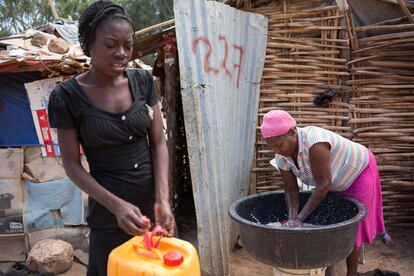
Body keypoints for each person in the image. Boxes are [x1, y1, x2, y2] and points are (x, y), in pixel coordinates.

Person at [47, 1, 174, 275]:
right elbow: (71, 164)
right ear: (89, 44)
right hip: (108, 217)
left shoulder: (143, 82)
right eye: (111, 45)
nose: (121, 53)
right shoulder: (67, 97)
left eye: (127, 45)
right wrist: (116, 206)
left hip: (153, 211)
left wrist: (163, 199)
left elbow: (159, 144)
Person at [260, 109, 387, 276]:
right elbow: (291, 189)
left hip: (358, 172)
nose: (277, 150)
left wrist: (300, 219)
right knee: (329, 226)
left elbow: (324, 184)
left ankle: (351, 274)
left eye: (279, 144)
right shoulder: (281, 157)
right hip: (333, 180)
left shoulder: (315, 143)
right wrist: (292, 219)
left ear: (291, 133)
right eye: (272, 147)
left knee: (351, 228)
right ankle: (329, 271)